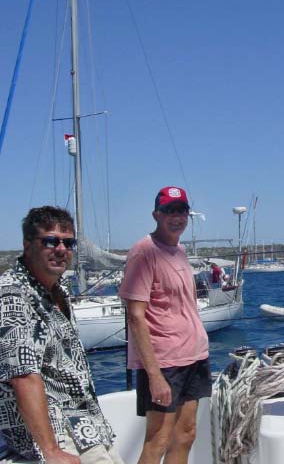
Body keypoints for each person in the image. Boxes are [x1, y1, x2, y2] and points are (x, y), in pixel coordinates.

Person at [0, 206, 123, 463]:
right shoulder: (12, 295)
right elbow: (23, 375)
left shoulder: (59, 291)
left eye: (68, 243)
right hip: (58, 433)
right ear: (27, 245)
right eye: (50, 241)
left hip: (86, 427)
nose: (61, 249)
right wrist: (51, 450)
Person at [119, 187, 211, 464]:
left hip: (194, 356)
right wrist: (155, 375)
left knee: (186, 434)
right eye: (169, 210)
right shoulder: (144, 252)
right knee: (158, 440)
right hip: (165, 362)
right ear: (156, 215)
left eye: (182, 210)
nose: (177, 217)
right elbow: (135, 316)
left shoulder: (179, 250)